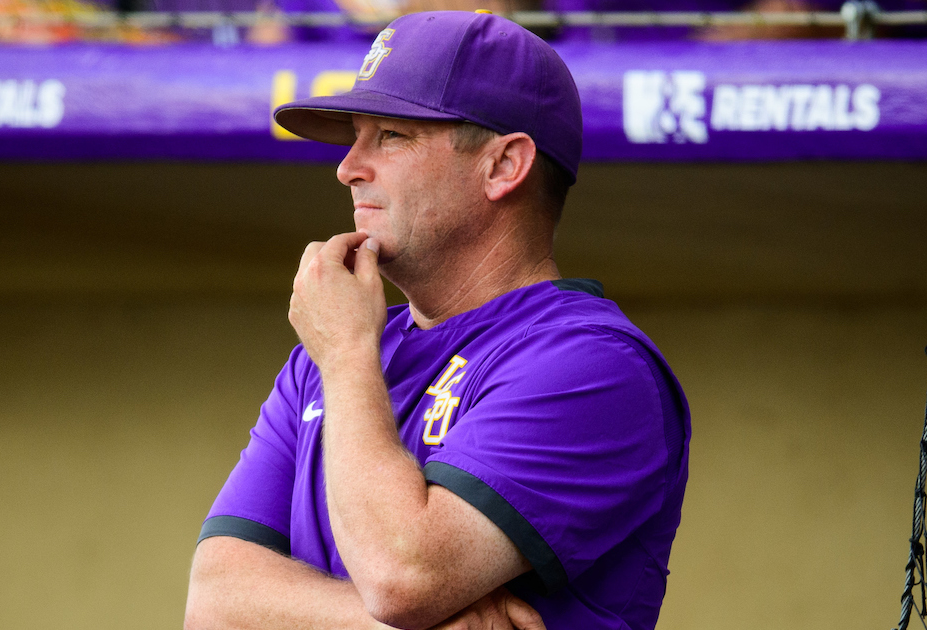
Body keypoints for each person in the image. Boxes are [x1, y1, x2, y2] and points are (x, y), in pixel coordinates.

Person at [184, 10, 690, 630]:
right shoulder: (323, 358)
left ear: (504, 166)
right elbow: (214, 604)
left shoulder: (594, 364)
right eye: (355, 135)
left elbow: (406, 578)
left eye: (391, 135)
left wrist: (346, 355)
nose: (348, 167)